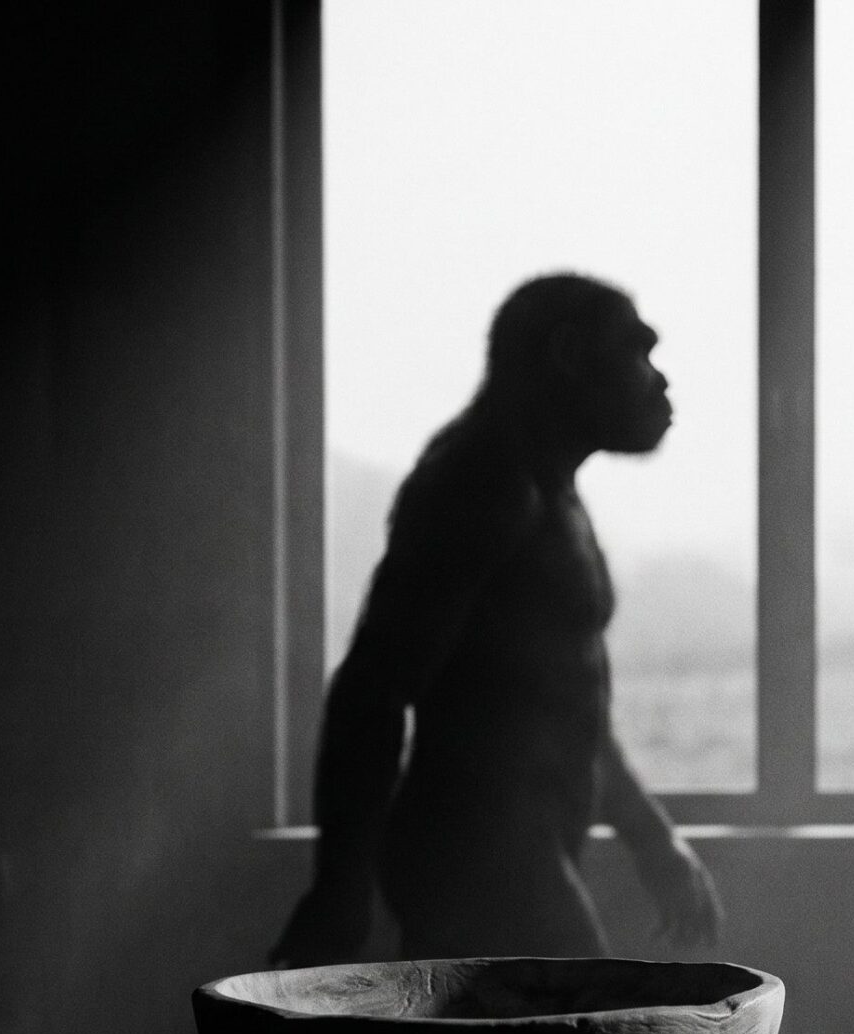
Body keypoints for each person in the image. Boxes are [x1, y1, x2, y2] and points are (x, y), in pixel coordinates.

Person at [270, 274, 722, 968]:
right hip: (476, 861)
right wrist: (339, 895)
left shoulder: (547, 488)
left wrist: (652, 837)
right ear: (570, 354)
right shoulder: (483, 482)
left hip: (513, 857)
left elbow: (567, 702)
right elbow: (371, 691)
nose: (659, 382)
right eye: (637, 352)